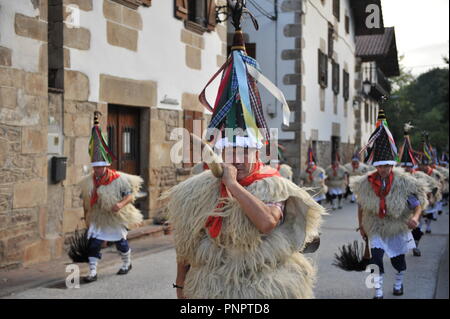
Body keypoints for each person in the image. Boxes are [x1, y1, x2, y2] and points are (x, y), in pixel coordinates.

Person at [163, 3, 325, 298]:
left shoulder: (274, 185)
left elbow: (266, 223)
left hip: (261, 287)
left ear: (257, 152)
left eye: (243, 151)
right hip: (212, 287)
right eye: (230, 151)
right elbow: (185, 244)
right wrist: (180, 284)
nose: (235, 158)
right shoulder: (197, 190)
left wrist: (233, 185)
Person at [350, 109, 428, 299]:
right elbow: (361, 206)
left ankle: (399, 283)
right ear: (376, 165)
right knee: (376, 259)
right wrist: (361, 226)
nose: (383, 169)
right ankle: (378, 291)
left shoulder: (404, 183)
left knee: (398, 261)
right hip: (375, 226)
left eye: (386, 166)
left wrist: (416, 218)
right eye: (380, 166)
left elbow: (416, 204)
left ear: (392, 166)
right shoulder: (365, 183)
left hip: (396, 226)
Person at [78, 112, 143, 283]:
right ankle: (92, 272)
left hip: (115, 216)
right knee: (93, 243)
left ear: (106, 166)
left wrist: (120, 205)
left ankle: (126, 263)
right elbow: (86, 199)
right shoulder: (89, 181)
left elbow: (129, 195)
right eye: (95, 168)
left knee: (120, 243)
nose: (97, 171)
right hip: (99, 217)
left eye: (100, 168)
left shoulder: (119, 179)